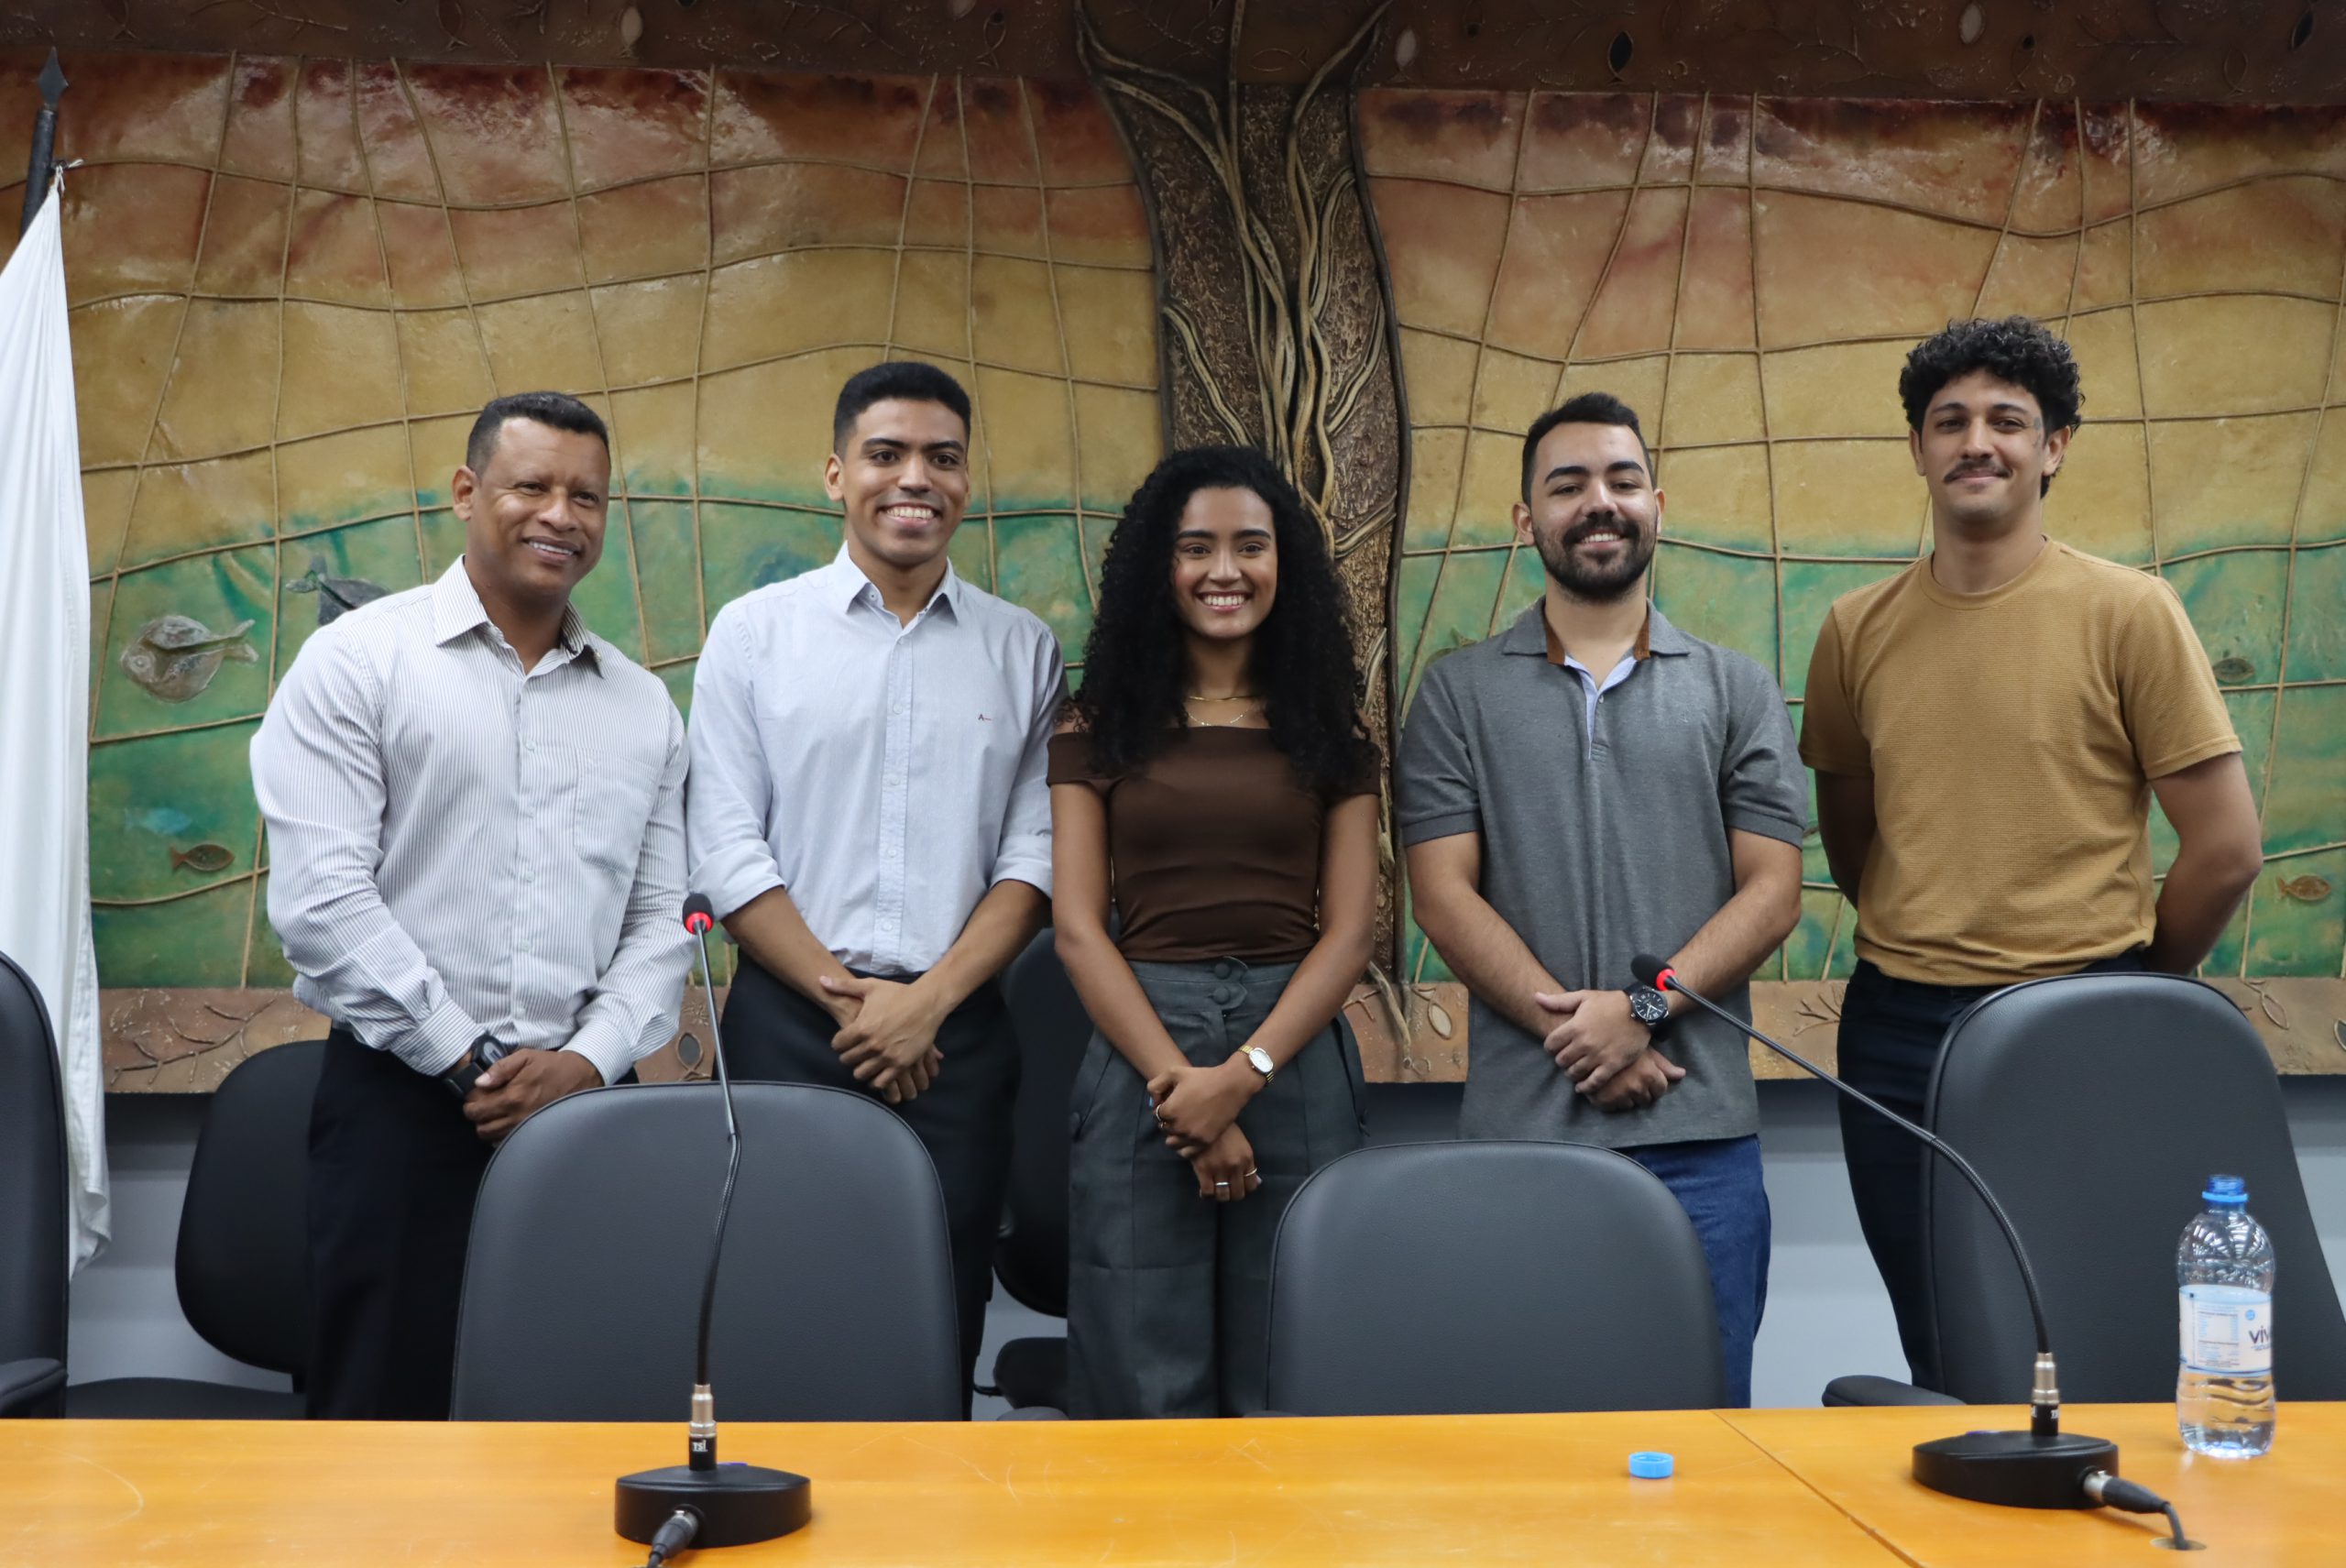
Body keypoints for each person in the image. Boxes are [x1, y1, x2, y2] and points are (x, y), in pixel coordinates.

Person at [1801, 317, 2264, 1388]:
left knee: (2083, 1320)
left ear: (2052, 446)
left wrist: (2133, 982)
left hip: (2079, 1014)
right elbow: (1854, 834)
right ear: (1916, 448)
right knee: (1938, 1331)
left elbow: (2228, 847)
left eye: (2007, 421)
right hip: (1897, 1031)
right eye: (1949, 421)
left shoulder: (2130, 612)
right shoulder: (1853, 629)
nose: (1977, 442)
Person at [252, 390, 693, 1420]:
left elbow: (663, 917)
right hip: (402, 1106)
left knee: (578, 1418)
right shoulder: (361, 661)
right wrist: (469, 1059)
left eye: (587, 496)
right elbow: (322, 899)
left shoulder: (642, 705)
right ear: (465, 491)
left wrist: (585, 1061)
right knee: (383, 1428)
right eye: (531, 485)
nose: (560, 515)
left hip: (586, 1114)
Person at [1398, 392, 1806, 1408]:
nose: (1599, 502)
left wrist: (1643, 1010)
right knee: (1523, 1436)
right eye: (1567, 484)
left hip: (1701, 1140)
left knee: (1708, 1434)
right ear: (1525, 518)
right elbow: (1442, 897)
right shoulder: (1455, 694)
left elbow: (1773, 892)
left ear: (1657, 506)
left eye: (1623, 481)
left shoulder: (1735, 688)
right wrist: (1582, 1034)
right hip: (1521, 1137)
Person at [685, 361, 1060, 1407]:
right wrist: (859, 1006)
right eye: (885, 454)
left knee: (937, 1309)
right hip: (789, 1022)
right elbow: (726, 846)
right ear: (836, 473)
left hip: (957, 1035)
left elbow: (1033, 857)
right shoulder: (753, 634)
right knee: (776, 1296)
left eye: (942, 458)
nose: (915, 479)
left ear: (967, 479)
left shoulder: (1022, 649)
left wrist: (925, 1004)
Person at [1049, 445, 1378, 1419]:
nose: (1223, 570)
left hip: (1294, 1053)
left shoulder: (1331, 731)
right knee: (1142, 1370)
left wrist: (1242, 1076)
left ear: (1286, 564)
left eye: (1249, 546)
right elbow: (1078, 928)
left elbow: (1348, 933)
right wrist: (1181, 1089)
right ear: (1160, 565)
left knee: (1293, 1361)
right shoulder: (1096, 724)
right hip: (1140, 1052)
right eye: (1195, 547)